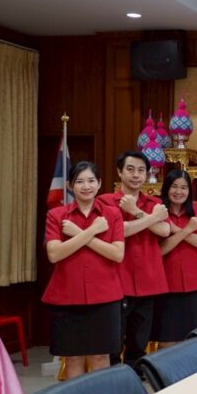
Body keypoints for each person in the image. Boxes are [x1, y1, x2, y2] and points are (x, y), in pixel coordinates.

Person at [43, 161, 125, 378]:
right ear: (70, 186)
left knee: (100, 356)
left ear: (99, 183)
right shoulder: (57, 215)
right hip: (67, 297)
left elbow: (117, 254)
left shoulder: (113, 214)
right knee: (73, 357)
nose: (86, 186)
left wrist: (79, 233)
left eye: (91, 181)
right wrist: (91, 231)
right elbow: (54, 254)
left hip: (105, 297)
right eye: (79, 181)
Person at [98, 150, 170, 366]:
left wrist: (136, 212)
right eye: (130, 169)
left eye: (141, 170)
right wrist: (152, 219)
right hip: (118, 278)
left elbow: (165, 230)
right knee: (114, 338)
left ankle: (134, 375)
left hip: (148, 279)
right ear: (120, 172)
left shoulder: (154, 202)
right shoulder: (105, 201)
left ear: (147, 174)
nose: (136, 175)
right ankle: (114, 377)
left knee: (140, 339)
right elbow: (118, 231)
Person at [154, 170, 197, 348]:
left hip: (195, 285)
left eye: (184, 187)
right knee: (167, 341)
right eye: (174, 186)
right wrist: (187, 230)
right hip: (166, 285)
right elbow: (160, 250)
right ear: (166, 188)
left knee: (193, 341)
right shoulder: (158, 211)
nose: (179, 191)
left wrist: (178, 230)